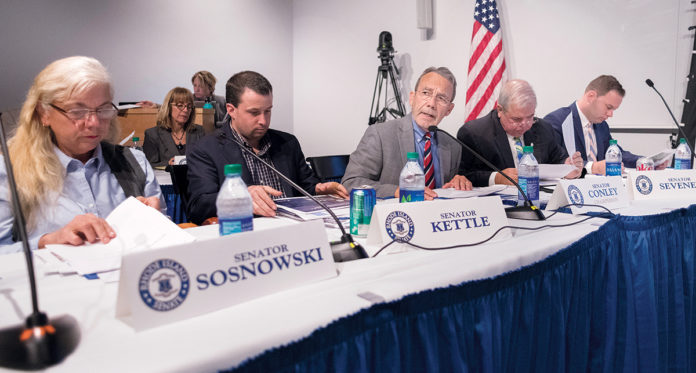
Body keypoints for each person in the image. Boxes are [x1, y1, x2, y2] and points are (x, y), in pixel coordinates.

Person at [0, 56, 163, 254]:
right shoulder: (10, 171)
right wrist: (49, 241)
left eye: (103, 109)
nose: (94, 122)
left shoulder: (133, 163)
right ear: (44, 113)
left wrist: (154, 221)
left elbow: (163, 241)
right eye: (77, 111)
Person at [186, 71, 347, 224]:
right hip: (248, 232)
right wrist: (240, 196)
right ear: (231, 110)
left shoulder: (287, 143)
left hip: (295, 228)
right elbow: (198, 205)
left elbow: (306, 187)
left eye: (268, 111)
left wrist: (320, 190)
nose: (263, 121)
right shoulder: (206, 148)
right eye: (254, 113)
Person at [342, 67, 473, 200]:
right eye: (426, 93)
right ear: (412, 98)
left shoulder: (453, 146)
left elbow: (448, 191)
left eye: (441, 99)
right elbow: (352, 182)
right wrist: (398, 191)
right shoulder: (380, 134)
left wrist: (458, 183)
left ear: (449, 110)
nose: (431, 104)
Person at [457, 79, 583, 187]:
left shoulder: (543, 128)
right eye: (517, 119)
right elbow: (464, 176)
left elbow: (558, 158)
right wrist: (497, 178)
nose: (526, 124)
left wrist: (569, 167)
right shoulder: (475, 133)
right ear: (500, 110)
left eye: (530, 116)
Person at [544, 75, 666, 173]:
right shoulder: (557, 121)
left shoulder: (601, 125)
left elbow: (617, 154)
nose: (610, 114)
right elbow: (555, 162)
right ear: (591, 96)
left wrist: (644, 161)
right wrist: (594, 167)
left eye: (613, 110)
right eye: (608, 107)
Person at [143, 87, 205, 167]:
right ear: (168, 107)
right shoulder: (153, 134)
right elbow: (149, 166)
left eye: (189, 106)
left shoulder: (199, 131)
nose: (185, 110)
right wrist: (168, 164)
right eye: (180, 105)